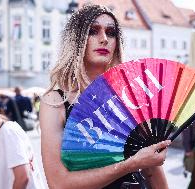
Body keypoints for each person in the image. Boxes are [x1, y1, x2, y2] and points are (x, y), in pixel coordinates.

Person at [40, 4, 171, 189]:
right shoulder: (56, 102)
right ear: (76, 39)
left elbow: (152, 170)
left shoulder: (128, 95)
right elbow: (58, 183)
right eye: (93, 31)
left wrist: (149, 158)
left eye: (111, 32)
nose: (104, 39)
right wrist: (131, 164)